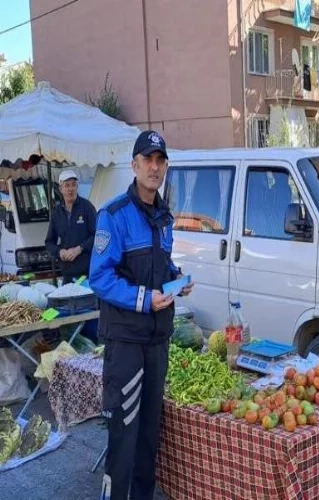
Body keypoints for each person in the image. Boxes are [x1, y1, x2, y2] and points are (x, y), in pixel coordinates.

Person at [90, 130, 193, 500]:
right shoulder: (114, 215)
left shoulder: (164, 217)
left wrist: (176, 279)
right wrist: (142, 299)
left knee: (150, 438)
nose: (154, 166)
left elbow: (158, 267)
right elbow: (99, 277)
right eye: (147, 160)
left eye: (160, 160)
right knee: (124, 438)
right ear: (134, 165)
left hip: (157, 341)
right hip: (126, 344)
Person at [45, 170, 97, 284]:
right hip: (67, 274)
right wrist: (60, 252)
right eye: (67, 185)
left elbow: (98, 236)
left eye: (73, 185)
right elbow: (49, 243)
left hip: (87, 273)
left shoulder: (87, 208)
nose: (71, 189)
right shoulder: (57, 213)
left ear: (77, 186)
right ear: (60, 189)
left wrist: (79, 249)